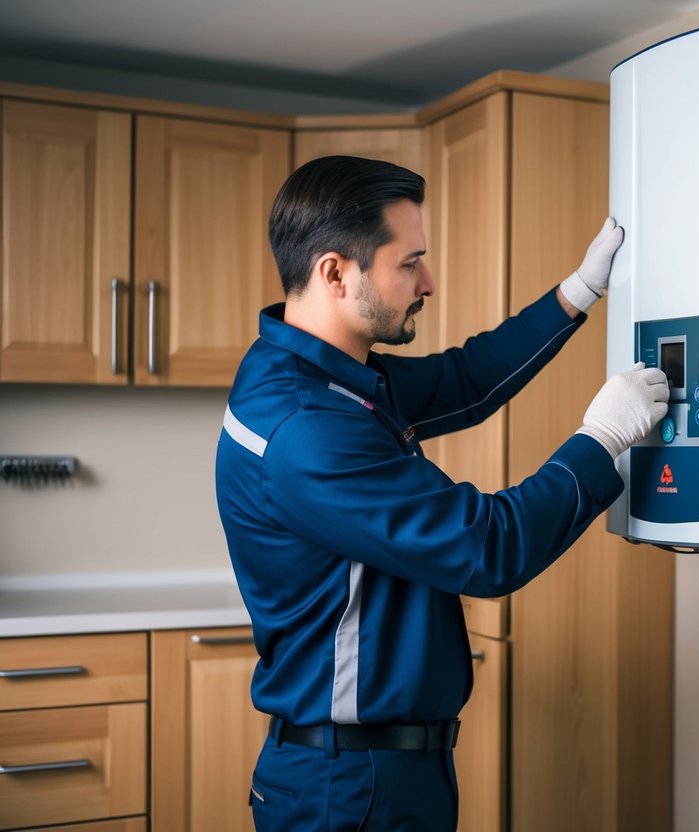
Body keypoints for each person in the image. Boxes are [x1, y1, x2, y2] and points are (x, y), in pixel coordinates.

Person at [214, 155, 668, 831]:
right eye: (408, 263)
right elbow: (487, 550)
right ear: (335, 272)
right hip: (352, 789)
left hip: (376, 771)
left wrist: (577, 291)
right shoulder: (307, 429)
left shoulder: (313, 372)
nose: (428, 282)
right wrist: (601, 437)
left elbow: (463, 380)